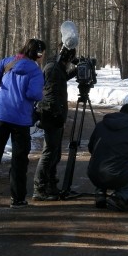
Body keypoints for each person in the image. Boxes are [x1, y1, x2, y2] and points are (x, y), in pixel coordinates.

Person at [0, 38, 45, 208]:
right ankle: (17, 198)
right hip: (21, 119)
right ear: (38, 54)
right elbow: (34, 94)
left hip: (1, 114)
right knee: (19, 159)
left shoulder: (8, 62)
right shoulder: (36, 72)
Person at [33, 41, 78, 201]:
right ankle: (39, 187)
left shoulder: (56, 67)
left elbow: (62, 77)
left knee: (55, 153)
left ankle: (50, 185)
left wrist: (76, 70)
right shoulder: (53, 68)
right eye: (70, 59)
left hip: (55, 115)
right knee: (49, 152)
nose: (69, 63)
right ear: (65, 56)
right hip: (51, 116)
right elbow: (50, 94)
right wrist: (57, 114)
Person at [87, 103, 128, 212]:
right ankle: (120, 197)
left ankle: (100, 193)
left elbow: (91, 148)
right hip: (116, 176)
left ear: (120, 112)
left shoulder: (101, 125)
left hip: (93, 174)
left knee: (105, 165)